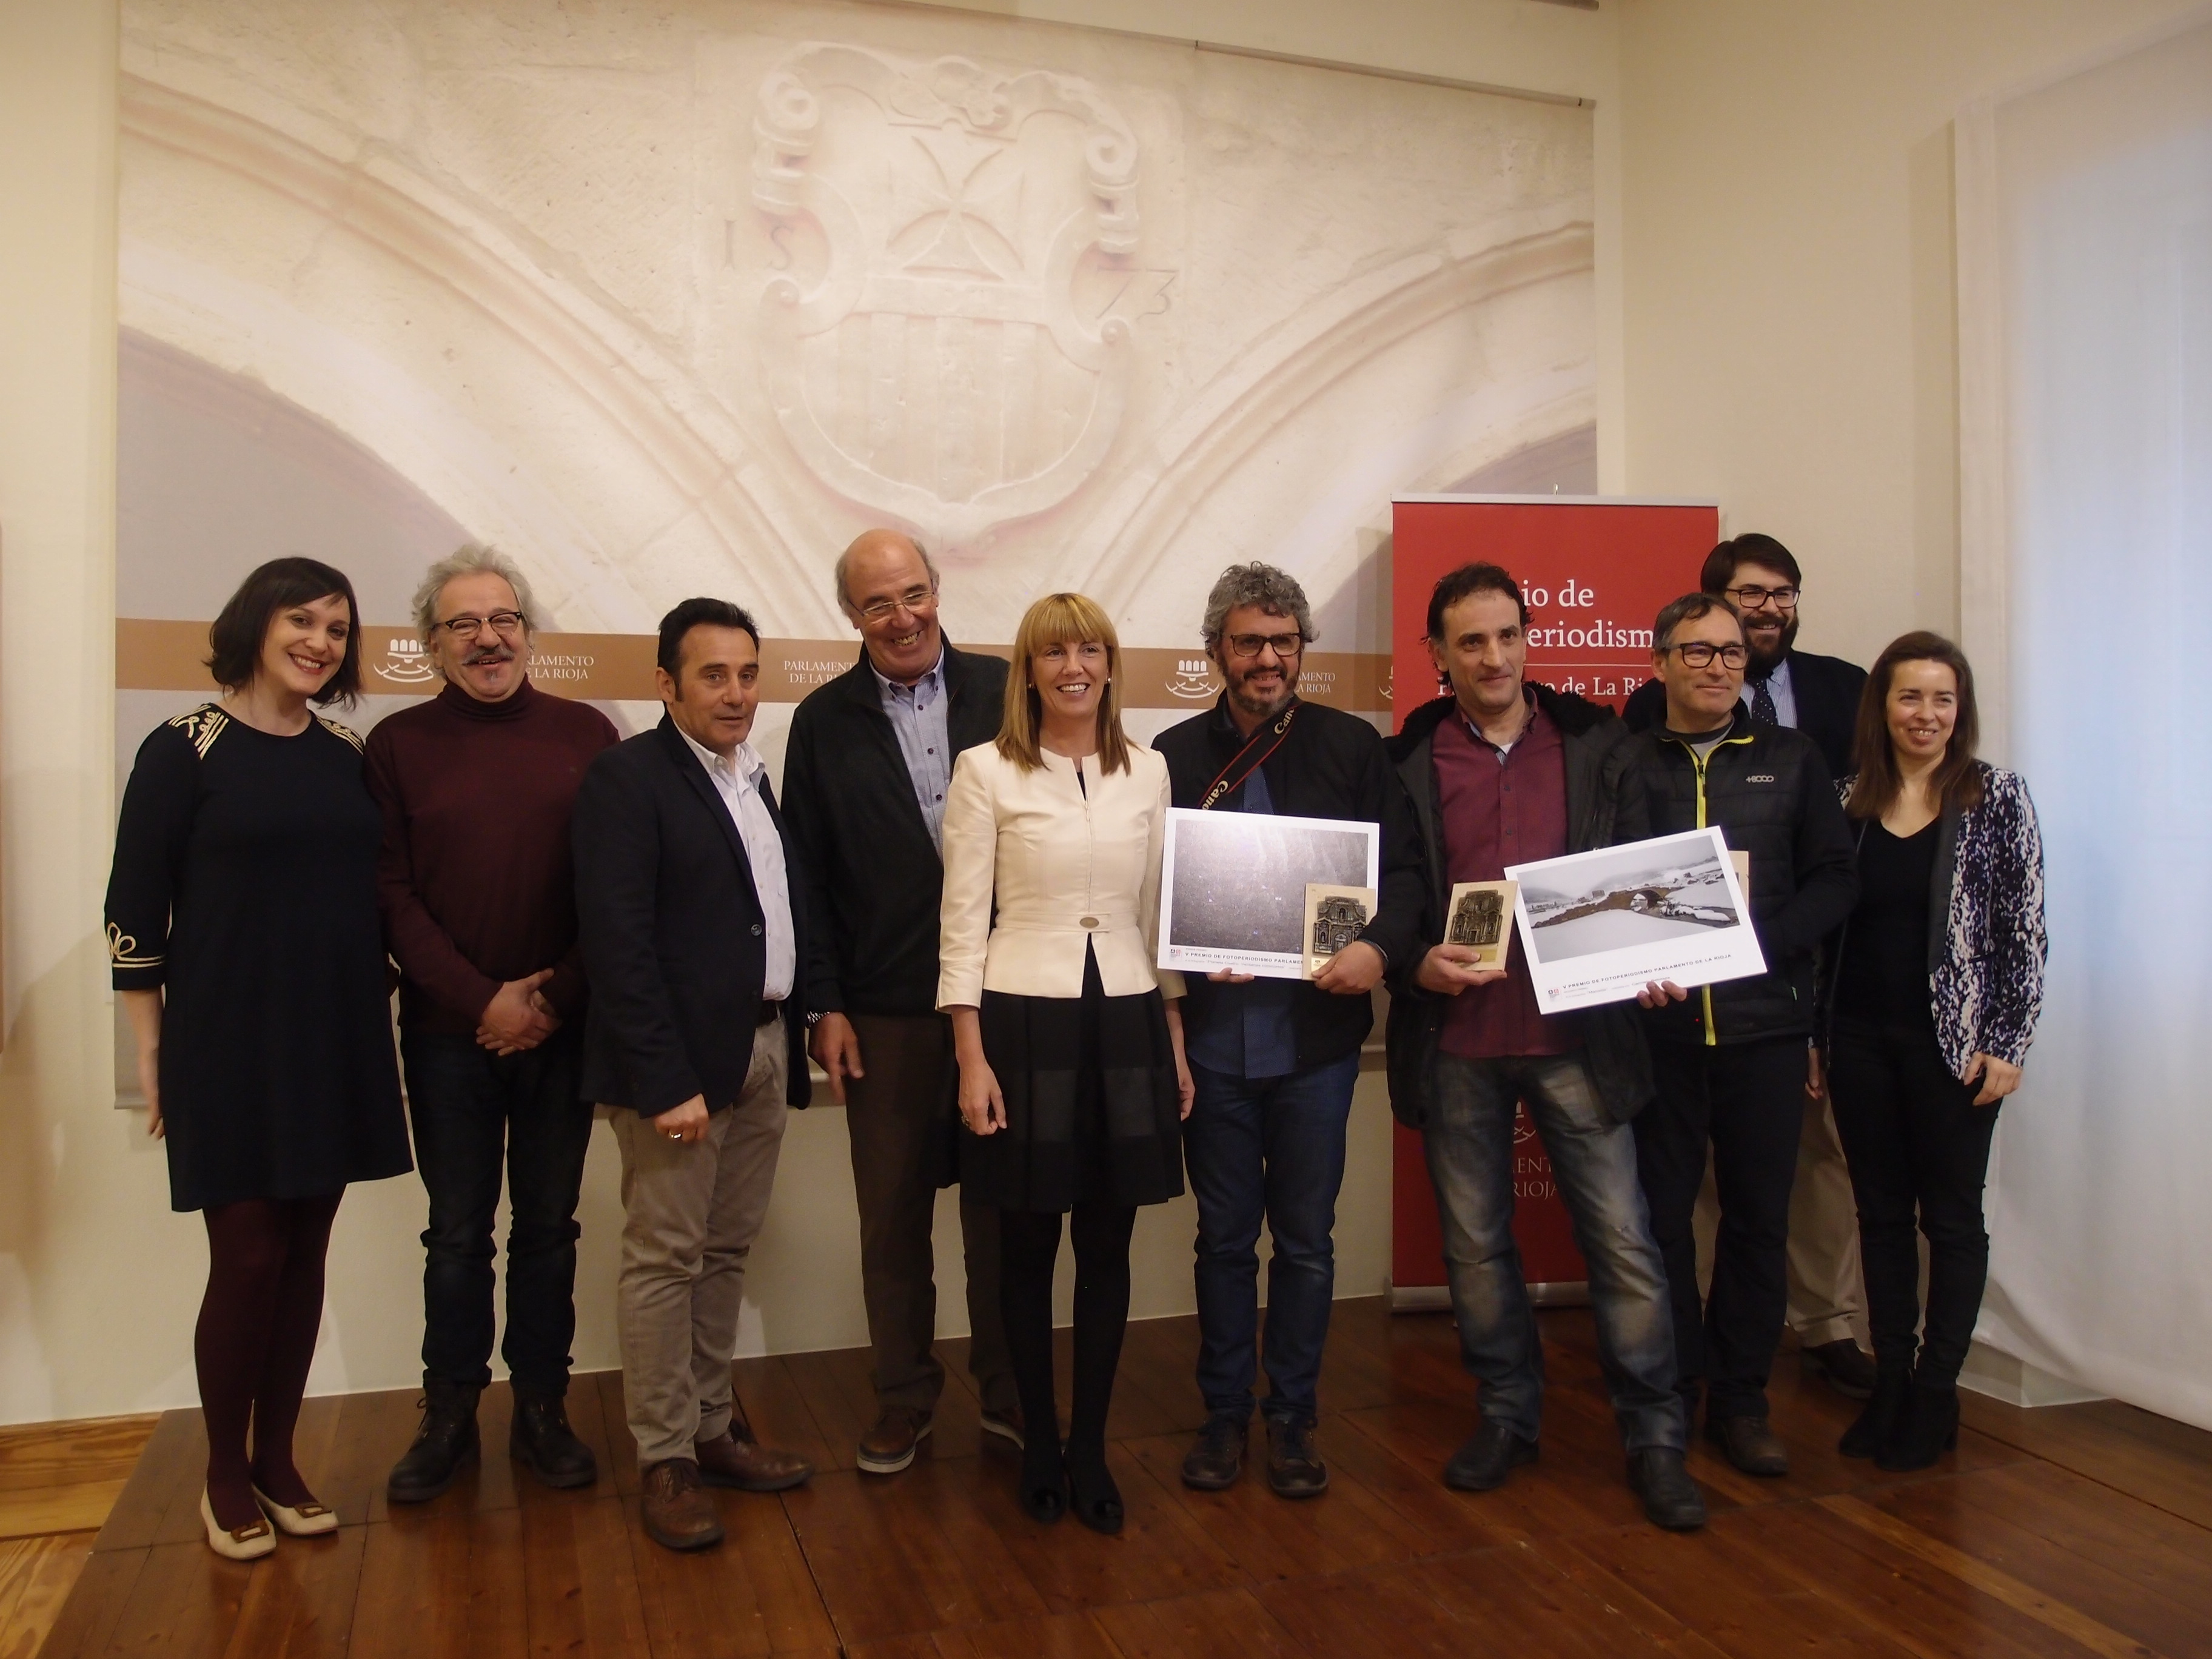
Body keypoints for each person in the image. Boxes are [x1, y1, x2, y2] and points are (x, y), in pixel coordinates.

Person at [1382, 563, 1707, 1532]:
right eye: (1469, 641)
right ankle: (1506, 1415)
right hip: (1459, 1040)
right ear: (1437, 655)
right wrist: (1410, 963)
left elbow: (1648, 866)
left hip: (1582, 1035)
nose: (1492, 656)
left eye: (1507, 636)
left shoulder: (1601, 747)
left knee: (1626, 1245)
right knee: (1476, 1251)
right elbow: (1391, 892)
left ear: (1530, 640)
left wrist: (1662, 957)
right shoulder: (1406, 762)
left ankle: (1655, 1436)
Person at [106, 558, 412, 1561]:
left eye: (337, 628)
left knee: (305, 1252)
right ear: (255, 623)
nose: (321, 642)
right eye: (302, 620)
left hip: (334, 1035)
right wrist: (152, 1053)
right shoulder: (181, 749)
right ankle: (223, 1474)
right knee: (244, 1255)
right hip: (227, 1042)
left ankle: (278, 1459)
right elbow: (134, 914)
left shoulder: (344, 754)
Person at [1152, 563, 1421, 1499]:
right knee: (1224, 1241)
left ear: (1302, 647)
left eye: (1284, 642)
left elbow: (1410, 878)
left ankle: (1295, 1419)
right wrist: (1185, 947)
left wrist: (1379, 955)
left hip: (1315, 1045)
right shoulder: (1172, 754)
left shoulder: (1353, 745)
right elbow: (1146, 893)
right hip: (1217, 1047)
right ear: (1216, 651)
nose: (1267, 659)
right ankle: (1225, 1414)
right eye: (1248, 642)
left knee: (1306, 1241)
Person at [367, 545, 619, 1503]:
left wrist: (549, 998)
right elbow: (389, 896)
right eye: (463, 624)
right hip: (446, 1038)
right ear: (431, 645)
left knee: (550, 1230)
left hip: (563, 1032)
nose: (488, 638)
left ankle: (544, 1411)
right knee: (458, 1234)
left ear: (528, 632)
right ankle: (450, 1415)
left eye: (504, 619)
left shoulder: (590, 734)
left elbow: (616, 894)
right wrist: (485, 1002)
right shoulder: (396, 747)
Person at [938, 592, 1195, 1534]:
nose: (1074, 666)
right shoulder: (984, 771)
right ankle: (1038, 1445)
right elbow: (962, 924)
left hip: (1126, 1015)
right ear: (1030, 671)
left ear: (1111, 664)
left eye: (1090, 649)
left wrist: (1173, 1039)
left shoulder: (1151, 772)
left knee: (1108, 1243)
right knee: (1026, 1241)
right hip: (1020, 1017)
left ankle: (1090, 1448)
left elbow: (1163, 917)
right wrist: (969, 1056)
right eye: (1055, 653)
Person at [572, 598, 815, 1553]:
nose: (736, 693)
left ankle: (715, 1429)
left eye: (748, 674)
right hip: (677, 1067)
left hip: (761, 1049)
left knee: (723, 1252)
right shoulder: (625, 781)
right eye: (713, 675)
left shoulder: (752, 778)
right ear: (665, 684)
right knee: (665, 1258)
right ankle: (665, 1456)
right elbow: (618, 945)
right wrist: (664, 1077)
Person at [782, 529, 1020, 1475]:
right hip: (880, 1010)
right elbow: (807, 877)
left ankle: (1008, 1392)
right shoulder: (822, 722)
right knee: (891, 1219)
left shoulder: (1010, 691)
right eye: (878, 603)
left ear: (937, 590)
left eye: (913, 593)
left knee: (1003, 1212)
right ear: (850, 615)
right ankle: (903, 1398)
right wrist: (821, 1004)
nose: (902, 616)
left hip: (1004, 1002)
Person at [1627, 533, 1876, 1399]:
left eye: (1731, 651)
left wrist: (1762, 946)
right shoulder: (1624, 763)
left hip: (1766, 1027)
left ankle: (1741, 1398)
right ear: (1661, 662)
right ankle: (1678, 1381)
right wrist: (1633, 967)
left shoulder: (1792, 758)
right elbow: (1596, 884)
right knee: (1661, 1221)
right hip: (1658, 1028)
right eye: (1698, 650)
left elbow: (1837, 876)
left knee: (1759, 1223)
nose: (1719, 664)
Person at [1823, 633, 2044, 1470]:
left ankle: (1935, 1390)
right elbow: (1827, 938)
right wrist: (1818, 1038)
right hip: (1859, 1042)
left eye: (1942, 699)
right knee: (1878, 1217)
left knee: (1950, 1220)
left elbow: (2024, 934)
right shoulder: (1849, 799)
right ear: (1884, 706)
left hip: (1956, 1052)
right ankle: (1889, 1379)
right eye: (1911, 697)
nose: (1927, 714)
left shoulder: (1997, 799)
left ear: (1962, 710)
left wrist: (2009, 1043)